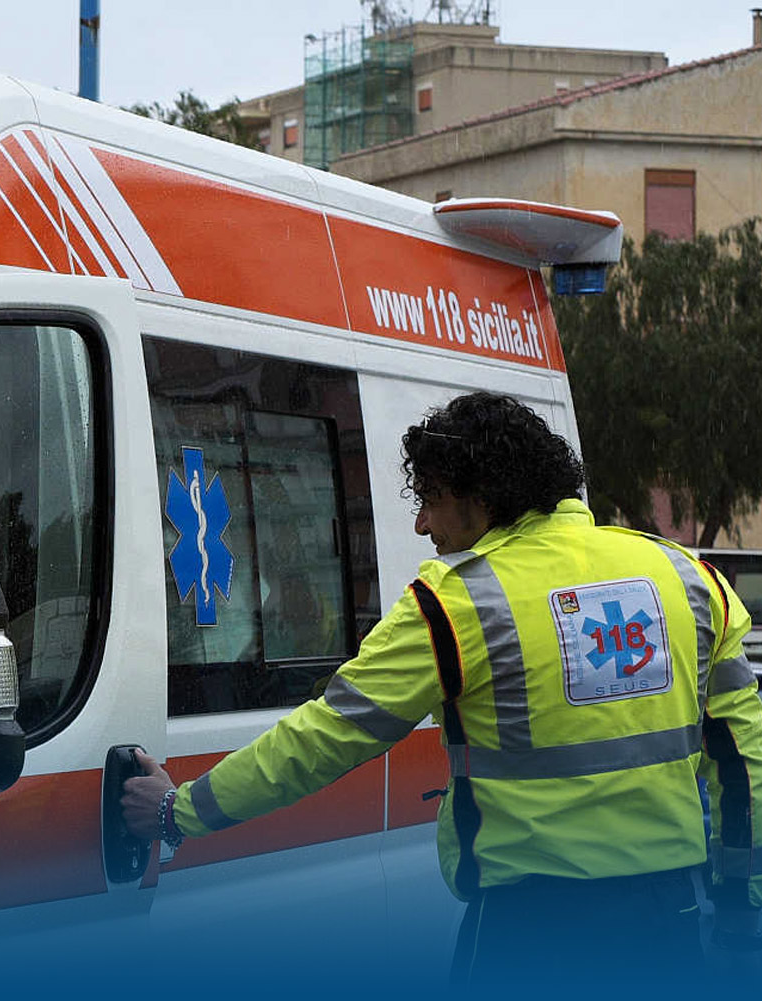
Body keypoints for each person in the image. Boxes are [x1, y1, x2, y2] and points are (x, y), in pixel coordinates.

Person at [122, 391, 762, 985]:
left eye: (430, 498)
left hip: (532, 933)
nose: (423, 524)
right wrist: (742, 906)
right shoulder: (689, 579)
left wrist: (180, 811)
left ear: (481, 496)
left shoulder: (456, 605)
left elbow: (323, 737)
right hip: (669, 919)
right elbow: (745, 764)